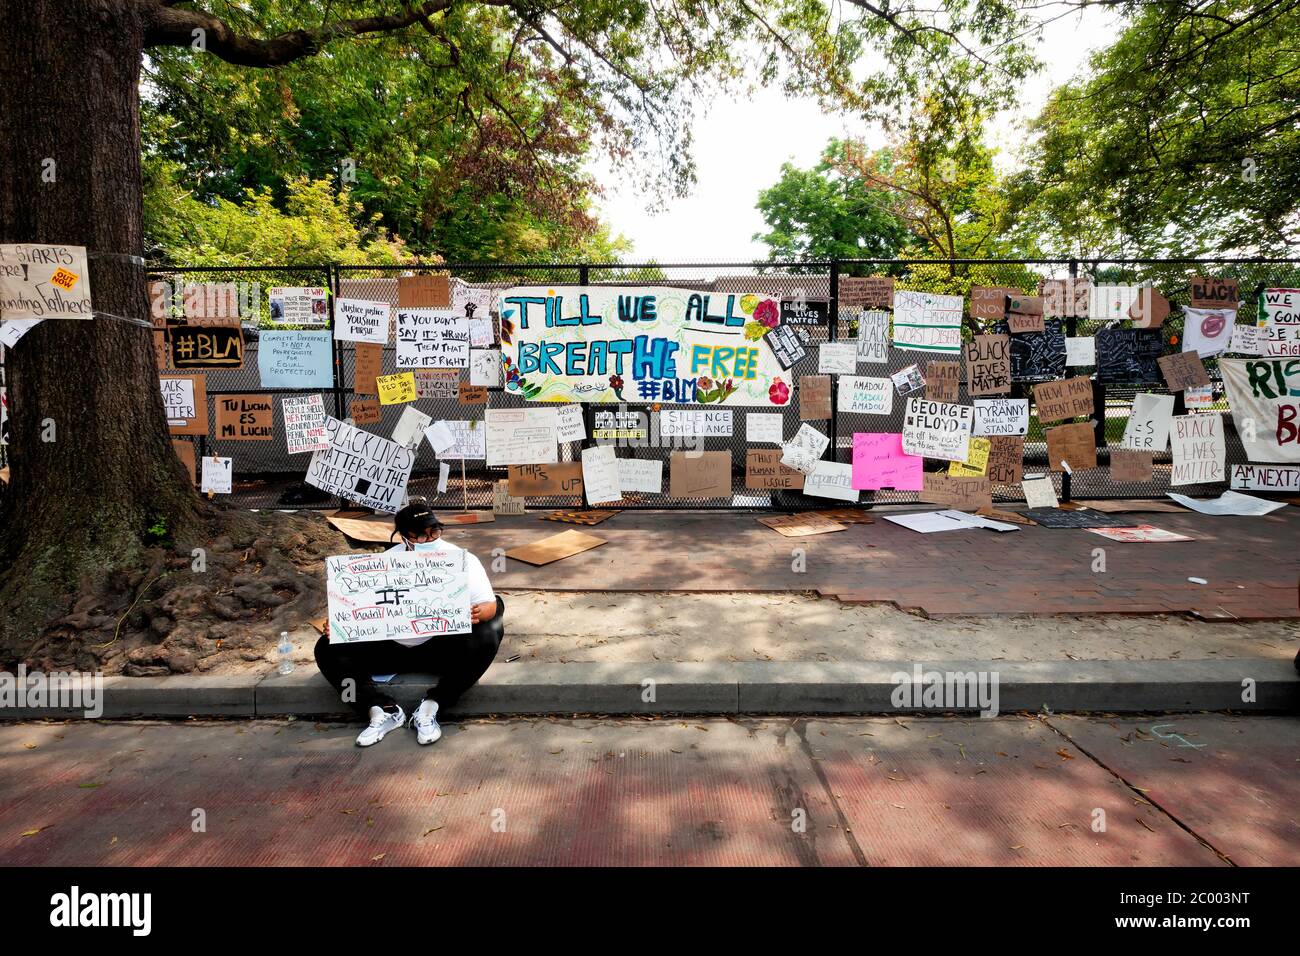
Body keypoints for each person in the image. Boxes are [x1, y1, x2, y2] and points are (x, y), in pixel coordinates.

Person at [315, 502, 505, 748]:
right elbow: (356, 606)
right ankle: (380, 710)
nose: (430, 538)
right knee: (325, 648)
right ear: (405, 537)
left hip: (441, 648)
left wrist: (480, 612)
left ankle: (432, 706)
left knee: (490, 631)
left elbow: (489, 605)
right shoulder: (384, 563)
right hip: (390, 649)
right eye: (422, 535)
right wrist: (341, 625)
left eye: (435, 531)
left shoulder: (461, 559)